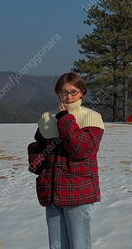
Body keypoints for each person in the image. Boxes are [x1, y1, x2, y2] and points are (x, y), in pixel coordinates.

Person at [28, 72, 105, 249]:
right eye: (64, 92)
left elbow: (80, 149)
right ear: (58, 93)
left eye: (74, 92)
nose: (69, 96)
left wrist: (65, 119)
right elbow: (37, 146)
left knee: (79, 245)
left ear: (82, 93)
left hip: (78, 193)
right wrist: (39, 163)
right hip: (52, 192)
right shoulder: (47, 118)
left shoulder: (91, 118)